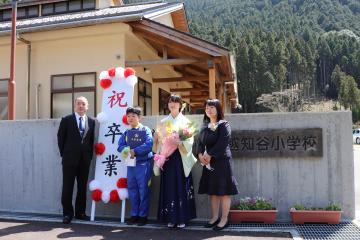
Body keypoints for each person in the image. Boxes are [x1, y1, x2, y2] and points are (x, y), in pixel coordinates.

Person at [153, 94, 197, 229]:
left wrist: (179, 142)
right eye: (170, 102)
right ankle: (170, 217)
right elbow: (157, 144)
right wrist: (158, 139)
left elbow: (189, 141)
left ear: (180, 105)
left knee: (181, 186)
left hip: (180, 157)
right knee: (169, 187)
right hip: (168, 158)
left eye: (176, 102)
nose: (172, 104)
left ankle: (182, 218)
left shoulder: (186, 122)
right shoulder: (162, 122)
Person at [196, 99, 238, 231]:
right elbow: (199, 143)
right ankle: (214, 218)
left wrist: (210, 155)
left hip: (222, 162)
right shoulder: (204, 126)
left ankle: (224, 220)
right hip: (208, 163)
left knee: (224, 191)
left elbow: (223, 142)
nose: (209, 109)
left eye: (212, 107)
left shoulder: (224, 124)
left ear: (218, 109)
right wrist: (199, 155)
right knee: (213, 191)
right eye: (207, 107)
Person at [57, 96, 95, 224]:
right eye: (78, 103)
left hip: (84, 160)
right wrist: (65, 154)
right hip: (69, 159)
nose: (81, 106)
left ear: (87, 106)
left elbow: (90, 141)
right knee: (67, 187)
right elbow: (60, 139)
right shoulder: (67, 120)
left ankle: (80, 213)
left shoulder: (91, 121)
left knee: (82, 187)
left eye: (83, 104)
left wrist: (89, 156)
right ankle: (67, 214)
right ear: (74, 105)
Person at [117, 106, 153, 226]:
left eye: (133, 116)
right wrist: (127, 150)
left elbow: (149, 144)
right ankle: (134, 215)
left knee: (144, 190)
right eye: (129, 116)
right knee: (132, 190)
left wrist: (135, 151)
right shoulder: (126, 132)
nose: (130, 118)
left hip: (143, 165)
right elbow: (120, 145)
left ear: (140, 117)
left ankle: (143, 216)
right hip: (130, 165)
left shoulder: (145, 130)